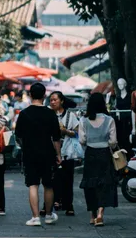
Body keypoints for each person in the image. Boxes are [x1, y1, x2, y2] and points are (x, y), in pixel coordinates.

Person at [15, 81, 61, 227]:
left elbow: (18, 136)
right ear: (44, 95)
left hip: (30, 153)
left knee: (33, 185)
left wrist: (25, 146)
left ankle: (35, 217)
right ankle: (48, 215)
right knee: (48, 185)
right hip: (48, 153)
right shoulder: (50, 114)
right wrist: (58, 155)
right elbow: (56, 138)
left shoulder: (24, 114)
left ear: (29, 95)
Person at [78, 92, 118, 227]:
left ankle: (92, 214)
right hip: (105, 154)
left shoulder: (84, 120)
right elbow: (113, 141)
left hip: (90, 154)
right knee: (105, 183)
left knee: (90, 184)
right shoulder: (109, 120)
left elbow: (82, 140)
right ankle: (101, 213)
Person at [49, 91, 79, 216]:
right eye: (51, 100)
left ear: (61, 101)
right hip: (51, 152)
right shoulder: (48, 115)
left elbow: (77, 132)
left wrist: (65, 131)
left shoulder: (70, 116)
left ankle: (68, 204)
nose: (53, 102)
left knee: (68, 179)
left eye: (55, 100)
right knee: (51, 179)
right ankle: (53, 202)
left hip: (67, 151)